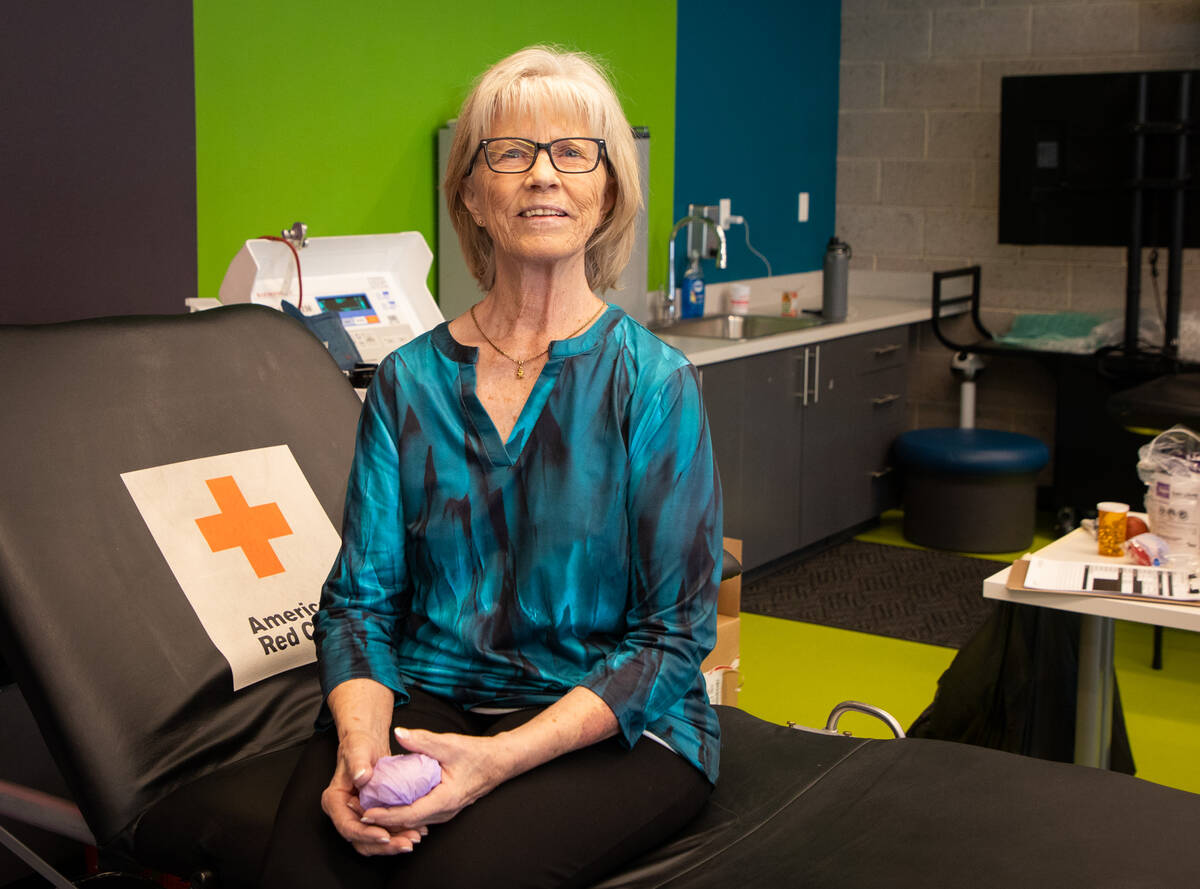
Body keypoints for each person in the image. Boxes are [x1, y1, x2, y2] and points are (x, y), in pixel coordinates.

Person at [260, 45, 723, 889]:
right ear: (471, 192)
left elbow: (675, 637)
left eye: (573, 152)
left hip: (612, 722)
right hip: (428, 698)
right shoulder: (407, 382)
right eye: (510, 152)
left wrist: (494, 761)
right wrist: (359, 754)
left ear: (607, 190)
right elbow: (361, 602)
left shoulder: (653, 384)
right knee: (305, 864)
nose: (543, 175)